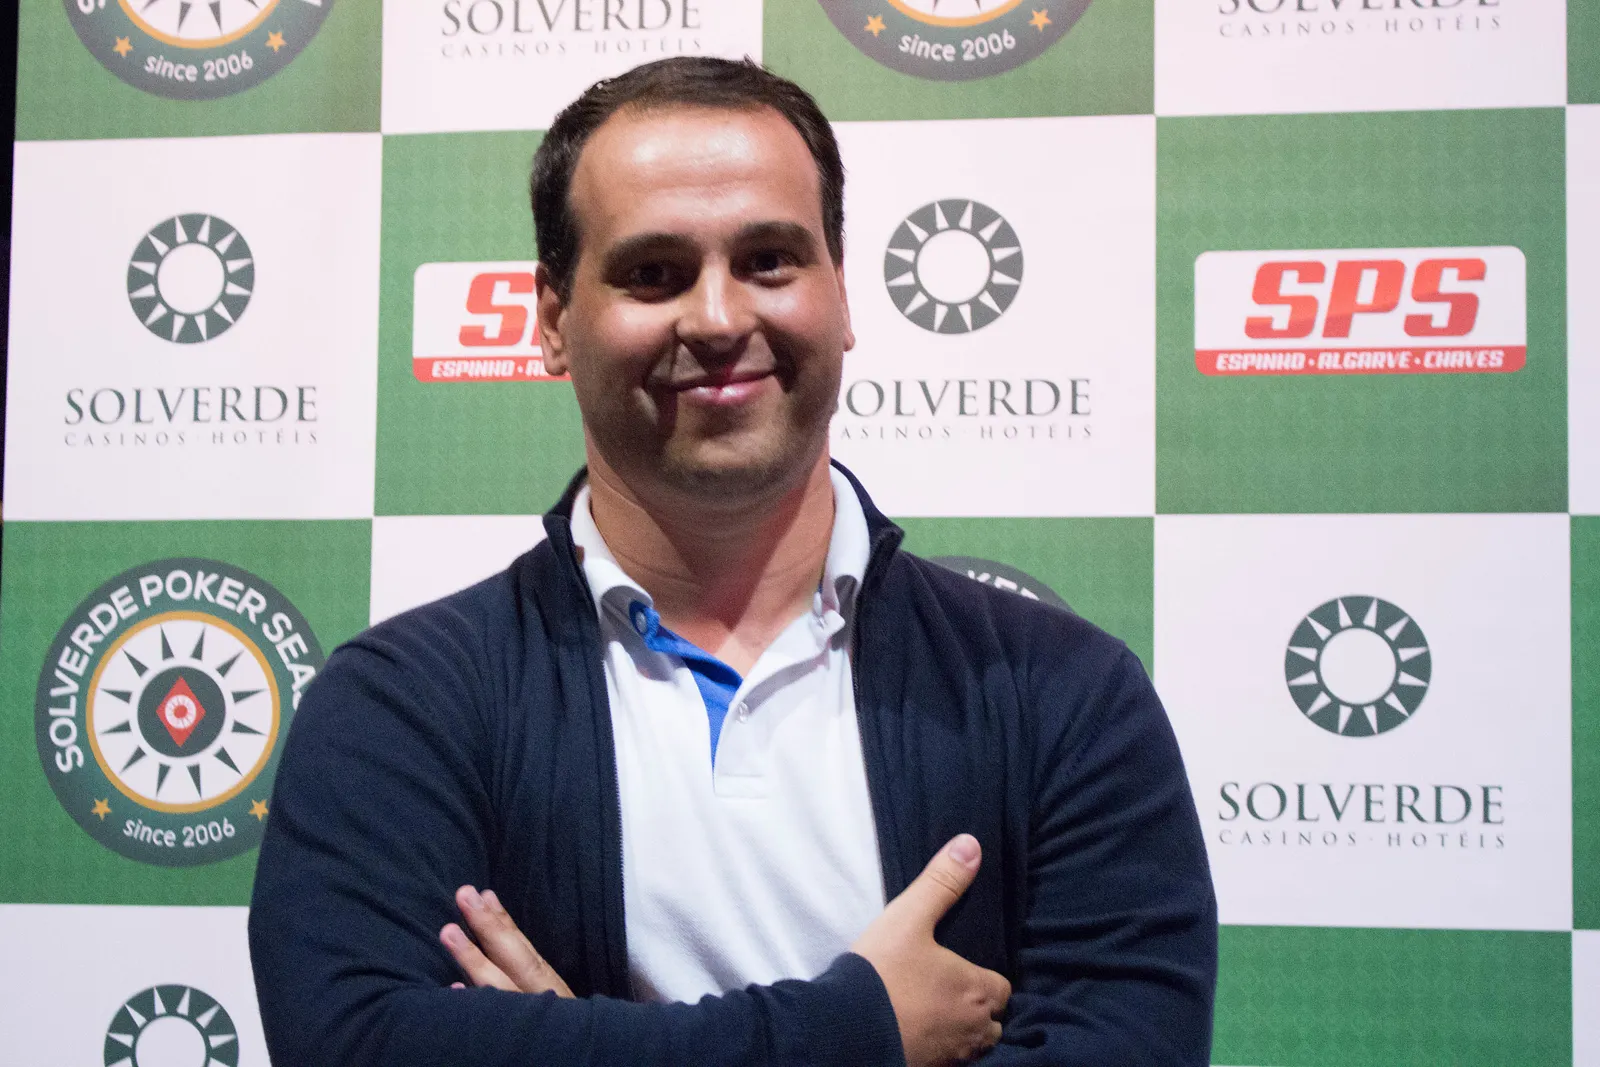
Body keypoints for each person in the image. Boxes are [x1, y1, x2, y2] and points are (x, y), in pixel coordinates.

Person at [248, 57, 1217, 1067]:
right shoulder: (401, 706)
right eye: (653, 272)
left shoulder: (1061, 694)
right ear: (553, 321)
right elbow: (356, 1044)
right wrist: (861, 1029)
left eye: (768, 260)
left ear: (842, 294)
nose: (716, 319)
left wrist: (579, 1043)